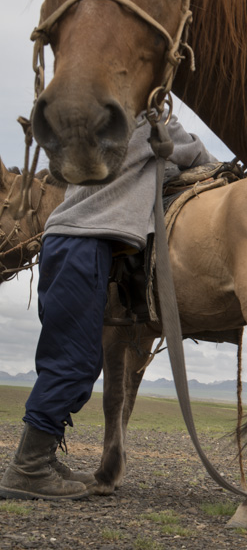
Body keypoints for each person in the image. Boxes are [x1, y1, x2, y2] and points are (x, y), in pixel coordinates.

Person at [0, 115, 215, 500]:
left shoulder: (97, 124)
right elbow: (198, 155)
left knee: (73, 357)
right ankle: (28, 468)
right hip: (83, 245)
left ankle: (40, 459)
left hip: (69, 243)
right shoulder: (151, 122)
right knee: (74, 360)